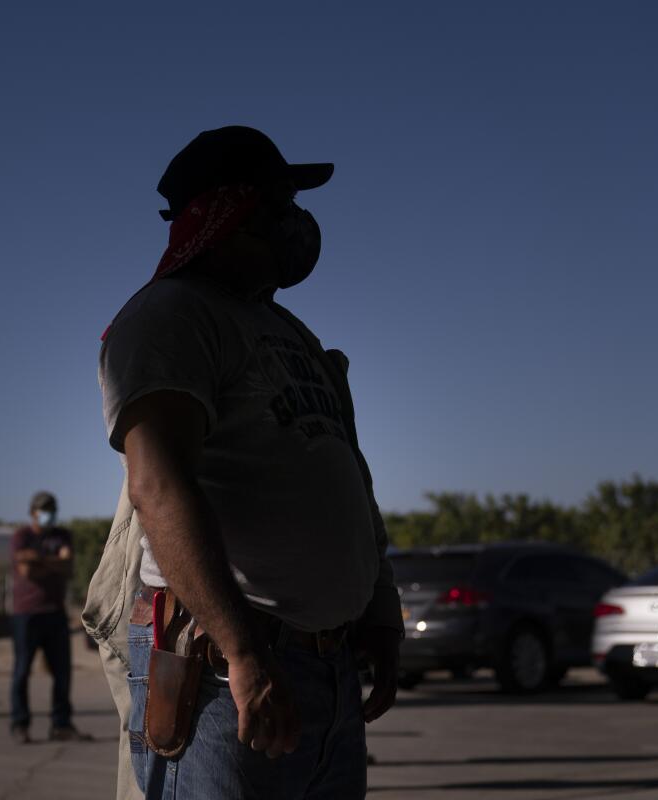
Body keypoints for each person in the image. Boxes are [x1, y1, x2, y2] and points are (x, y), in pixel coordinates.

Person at [85, 126, 403, 800]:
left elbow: (349, 472)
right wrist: (244, 656)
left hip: (326, 664)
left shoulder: (290, 331)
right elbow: (159, 487)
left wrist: (380, 611)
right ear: (230, 214)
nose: (298, 224)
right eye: (281, 204)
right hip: (224, 672)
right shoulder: (170, 318)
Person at [9, 491, 91, 743]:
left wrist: (39, 560)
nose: (49, 514)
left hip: (55, 613)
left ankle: (61, 724)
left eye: (52, 509)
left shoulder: (62, 535)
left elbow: (67, 567)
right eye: (44, 509)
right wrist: (54, 560)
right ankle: (20, 723)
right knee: (22, 671)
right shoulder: (22, 536)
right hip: (26, 614)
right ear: (33, 512)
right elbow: (26, 570)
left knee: (62, 673)